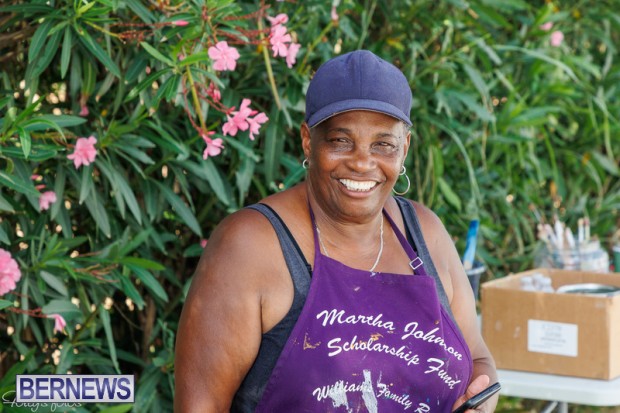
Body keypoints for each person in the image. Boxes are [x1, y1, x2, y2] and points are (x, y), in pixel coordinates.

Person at [175, 50, 498, 413]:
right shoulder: (251, 246)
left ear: (404, 148)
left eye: (383, 144)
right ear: (308, 141)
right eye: (341, 140)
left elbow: (479, 361)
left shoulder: (425, 232)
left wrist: (479, 402)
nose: (362, 162)